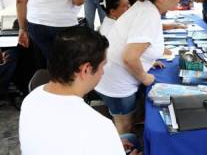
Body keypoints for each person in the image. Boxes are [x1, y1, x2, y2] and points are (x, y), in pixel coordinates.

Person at [19, 26, 141, 155]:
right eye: (102, 66)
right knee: (134, 141)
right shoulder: (99, 126)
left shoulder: (31, 98)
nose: (102, 72)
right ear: (86, 70)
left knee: (128, 138)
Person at [95, 0, 180, 134]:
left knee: (128, 123)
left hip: (112, 76)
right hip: (117, 84)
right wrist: (145, 77)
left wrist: (148, 61)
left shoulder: (145, 6)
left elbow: (132, 43)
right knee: (125, 128)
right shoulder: (149, 15)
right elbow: (129, 57)